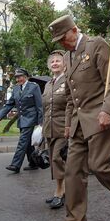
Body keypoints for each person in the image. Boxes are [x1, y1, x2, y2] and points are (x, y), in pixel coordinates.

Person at [47, 15, 110, 221]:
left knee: (98, 165)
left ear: (75, 30)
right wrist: (68, 123)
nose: (61, 43)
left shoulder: (96, 45)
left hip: (100, 115)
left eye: (63, 37)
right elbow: (71, 95)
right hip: (79, 122)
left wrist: (107, 110)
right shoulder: (68, 57)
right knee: (72, 171)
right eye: (58, 40)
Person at [0, 68, 43, 173]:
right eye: (16, 77)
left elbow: (39, 105)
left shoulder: (34, 87)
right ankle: (33, 163)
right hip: (22, 119)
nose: (18, 79)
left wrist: (41, 122)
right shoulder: (16, 89)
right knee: (27, 143)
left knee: (22, 142)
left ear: (26, 77)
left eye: (20, 77)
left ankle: (15, 165)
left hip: (31, 118)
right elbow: (9, 104)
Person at [43, 50, 68, 209]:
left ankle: (61, 191)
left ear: (65, 64)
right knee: (54, 160)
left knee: (57, 158)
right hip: (49, 127)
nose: (55, 63)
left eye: (58, 61)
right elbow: (45, 107)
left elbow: (73, 104)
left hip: (63, 127)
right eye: (52, 61)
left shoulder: (68, 80)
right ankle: (60, 189)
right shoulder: (48, 84)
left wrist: (70, 125)